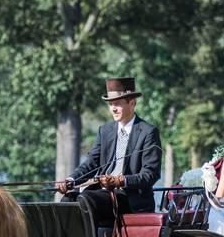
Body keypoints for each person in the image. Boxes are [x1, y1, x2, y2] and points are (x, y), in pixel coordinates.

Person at [56, 77, 162, 227]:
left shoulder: (148, 132)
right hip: (102, 194)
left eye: (117, 104)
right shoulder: (105, 131)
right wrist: (71, 180)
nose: (113, 108)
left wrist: (121, 180)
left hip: (129, 198)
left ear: (132, 102)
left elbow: (151, 174)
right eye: (110, 104)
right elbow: (91, 163)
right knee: (69, 199)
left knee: (86, 199)